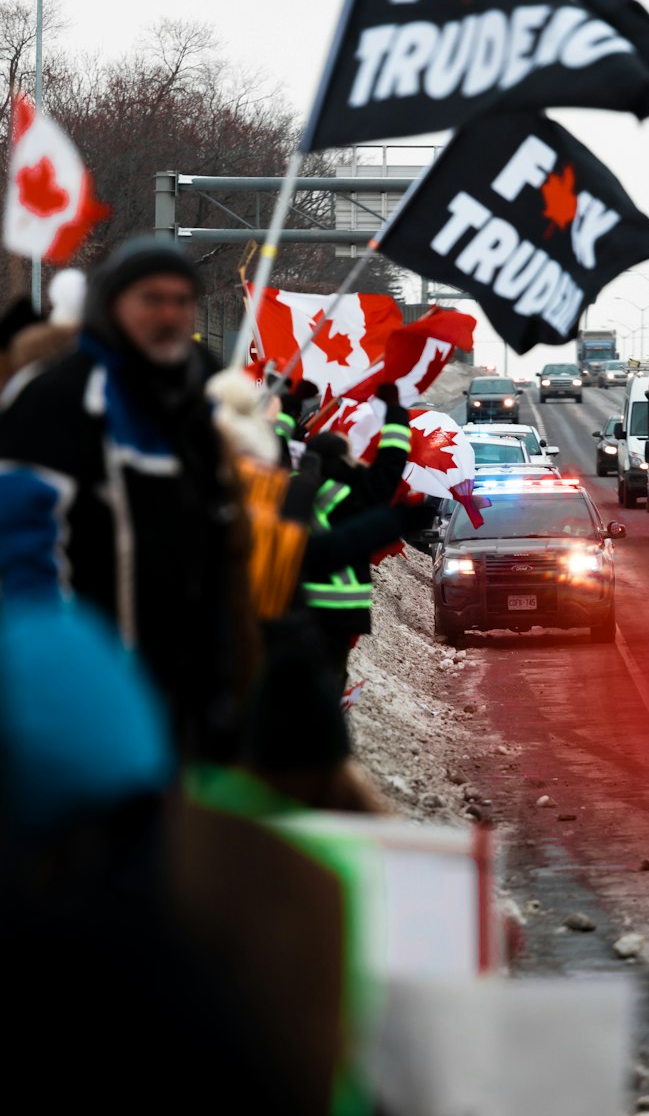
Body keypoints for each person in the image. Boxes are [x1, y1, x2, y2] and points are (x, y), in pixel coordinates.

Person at [0, 236, 254, 758]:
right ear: (111, 305)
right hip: (92, 686)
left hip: (192, 689)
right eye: (151, 299)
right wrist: (60, 672)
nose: (170, 313)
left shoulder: (199, 400)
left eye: (182, 300)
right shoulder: (57, 395)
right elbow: (20, 542)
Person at [302, 382, 413, 691]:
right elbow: (391, 462)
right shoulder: (359, 492)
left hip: (294, 604)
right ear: (343, 458)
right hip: (341, 609)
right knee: (331, 680)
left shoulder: (288, 489)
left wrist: (288, 407)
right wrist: (395, 412)